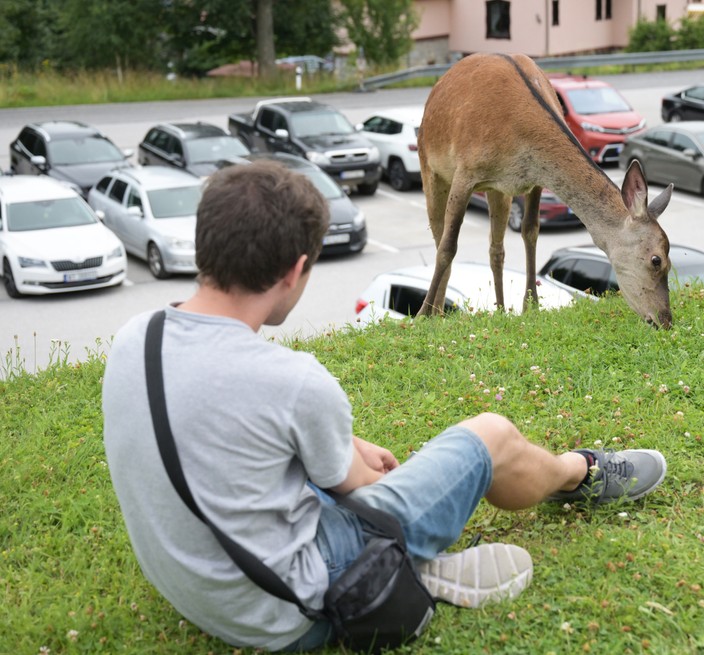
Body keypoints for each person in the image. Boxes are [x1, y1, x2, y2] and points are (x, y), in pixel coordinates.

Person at [102, 161, 667, 652]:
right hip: (290, 611)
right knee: (490, 436)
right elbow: (356, 484)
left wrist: (340, 448)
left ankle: (416, 566)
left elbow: (237, 423)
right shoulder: (294, 380)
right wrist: (352, 459)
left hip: (199, 592)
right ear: (297, 270)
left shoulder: (134, 338)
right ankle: (580, 472)